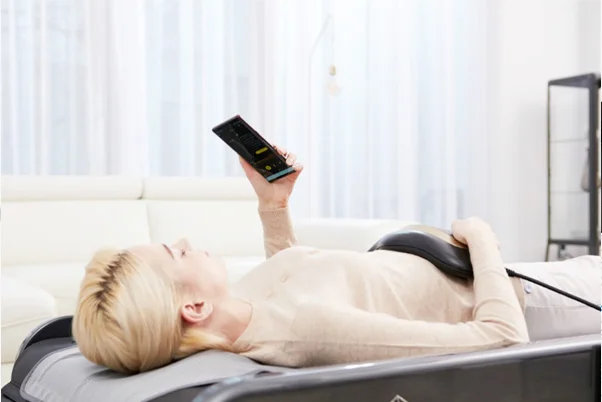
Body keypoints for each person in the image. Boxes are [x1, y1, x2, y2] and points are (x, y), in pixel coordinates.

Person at [72, 147, 601, 375]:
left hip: (496, 278)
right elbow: (502, 341)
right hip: (531, 301)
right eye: (176, 252)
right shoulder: (305, 331)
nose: (186, 241)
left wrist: (273, 206)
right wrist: (483, 239)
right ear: (192, 308)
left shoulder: (237, 313)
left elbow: (293, 279)